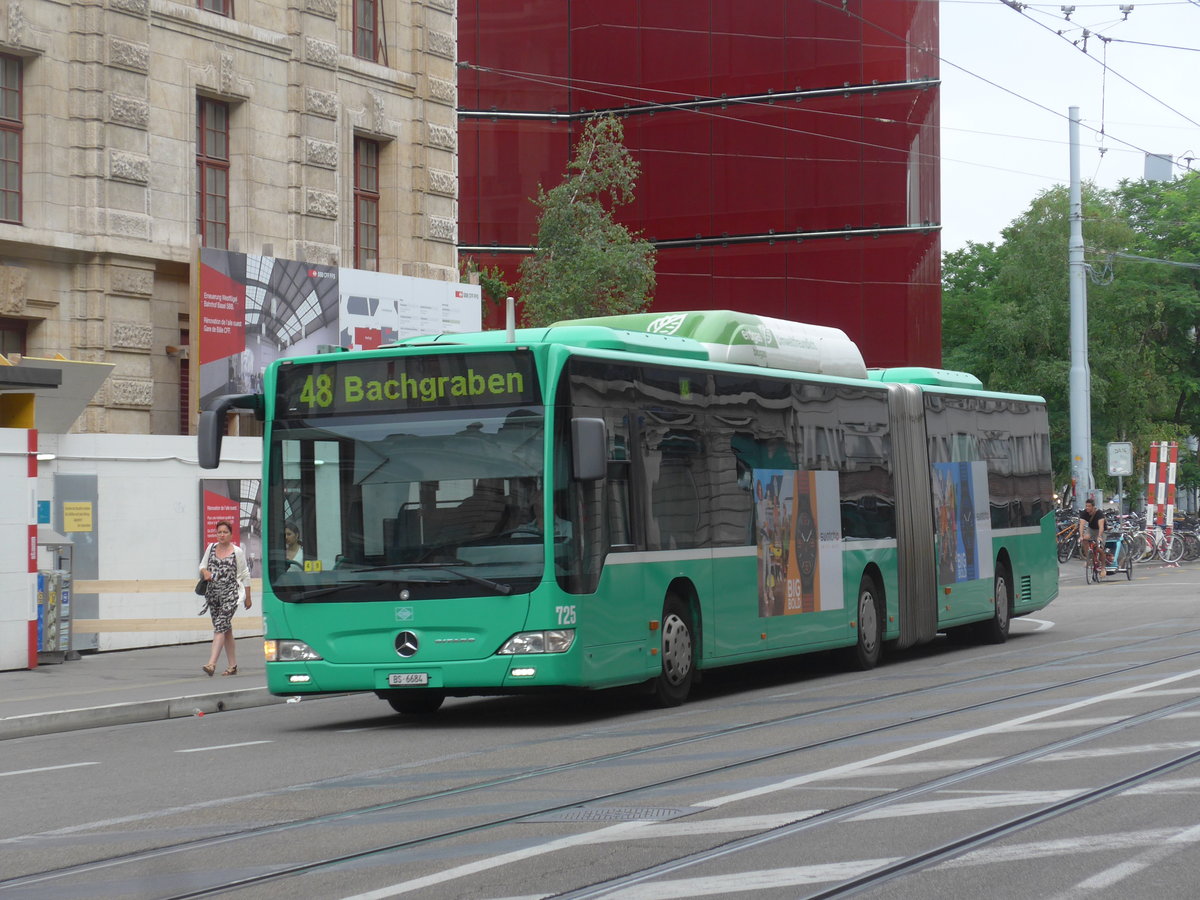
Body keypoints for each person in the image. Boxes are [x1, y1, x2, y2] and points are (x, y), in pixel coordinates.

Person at [198, 520, 252, 676]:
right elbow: (202, 565)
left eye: (225, 532)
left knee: (220, 626)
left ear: (231, 534)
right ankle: (232, 665)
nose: (222, 535)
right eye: (219, 532)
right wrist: (205, 572)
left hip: (231, 594)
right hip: (213, 594)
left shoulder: (237, 552)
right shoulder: (211, 548)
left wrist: (248, 597)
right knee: (225, 629)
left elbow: (244, 574)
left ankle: (211, 664)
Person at [1079, 498, 1106, 579]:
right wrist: (1081, 535)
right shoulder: (1084, 513)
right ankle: (1089, 558)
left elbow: (1101, 527)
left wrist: (1099, 536)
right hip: (1091, 529)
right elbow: (1081, 525)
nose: (1087, 508)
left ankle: (1103, 568)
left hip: (1099, 530)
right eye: (1086, 506)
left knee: (1100, 549)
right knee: (1084, 539)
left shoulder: (1099, 513)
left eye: (1089, 506)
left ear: (1093, 507)